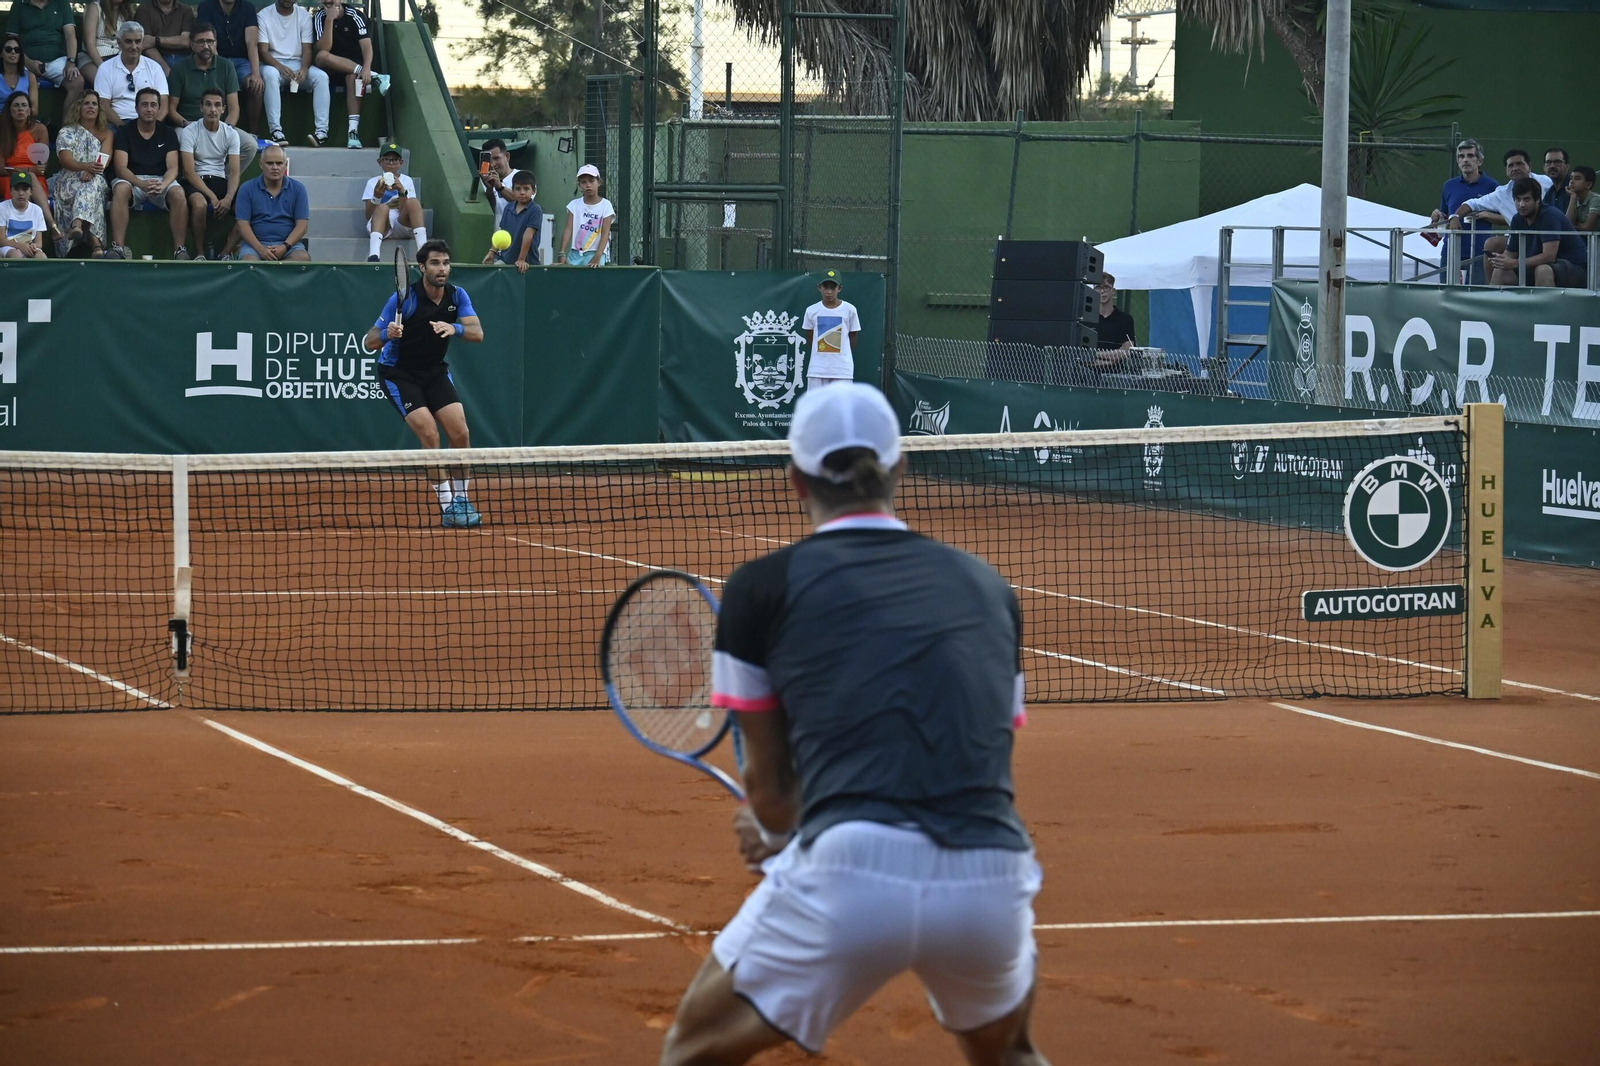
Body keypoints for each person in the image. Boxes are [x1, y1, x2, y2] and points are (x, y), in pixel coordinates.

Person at [659, 381, 1046, 1066]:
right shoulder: (990, 587)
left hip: (851, 875)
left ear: (795, 481)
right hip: (990, 872)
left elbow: (772, 795)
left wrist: (773, 832)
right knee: (1009, 1054)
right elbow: (978, 753)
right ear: (900, 469)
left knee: (692, 1051)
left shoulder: (760, 588)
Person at [361, 239, 486, 528]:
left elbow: (477, 333)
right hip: (399, 374)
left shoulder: (458, 295)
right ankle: (447, 507)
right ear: (422, 267)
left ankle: (462, 499)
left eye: (446, 263)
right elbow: (369, 341)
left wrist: (454, 327)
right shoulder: (404, 300)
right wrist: (388, 334)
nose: (442, 268)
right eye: (435, 263)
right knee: (430, 435)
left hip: (434, 372)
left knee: (461, 433)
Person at [108, 85, 187, 258]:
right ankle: (118, 247)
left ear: (159, 108)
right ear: (136, 108)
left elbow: (173, 167)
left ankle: (180, 250)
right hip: (132, 180)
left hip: (160, 181)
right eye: (144, 105)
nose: (149, 109)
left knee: (179, 193)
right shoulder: (124, 132)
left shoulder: (168, 133)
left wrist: (163, 184)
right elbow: (120, 168)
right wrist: (141, 184)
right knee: (121, 189)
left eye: (153, 105)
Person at [166, 21, 255, 172]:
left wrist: (226, 129)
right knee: (179, 138)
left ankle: (223, 178)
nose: (206, 46)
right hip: (189, 125)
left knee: (250, 145)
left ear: (216, 43)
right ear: (192, 45)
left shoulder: (226, 66)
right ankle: (194, 179)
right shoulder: (179, 68)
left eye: (210, 41)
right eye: (201, 42)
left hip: (219, 125)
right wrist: (187, 125)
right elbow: (171, 109)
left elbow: (234, 108)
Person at [312, 0, 387, 150]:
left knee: (352, 78)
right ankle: (375, 76)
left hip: (353, 65)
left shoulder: (354, 15)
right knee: (321, 56)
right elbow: (324, 48)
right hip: (331, 66)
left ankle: (353, 132)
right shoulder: (319, 17)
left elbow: (366, 46)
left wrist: (366, 68)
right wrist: (329, 19)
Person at [256, 0, 329, 147]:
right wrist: (279, 66)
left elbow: (307, 50)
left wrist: (304, 69)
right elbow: (263, 51)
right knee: (270, 75)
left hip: (298, 63)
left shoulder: (304, 15)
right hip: (273, 64)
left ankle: (321, 132)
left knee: (321, 77)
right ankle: (276, 131)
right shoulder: (263, 15)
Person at [1491, 176, 1586, 288]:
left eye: (1526, 199)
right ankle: (1490, 299)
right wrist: (1500, 260)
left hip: (1574, 268)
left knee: (1542, 270)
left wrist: (1515, 263)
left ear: (1537, 200)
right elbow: (1511, 253)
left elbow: (1549, 256)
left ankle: (1544, 301)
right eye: (1518, 200)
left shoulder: (1549, 216)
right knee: (1500, 269)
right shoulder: (1517, 219)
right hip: (1542, 265)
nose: (1521, 205)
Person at [179, 86, 239, 259]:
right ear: (201, 107)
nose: (213, 109)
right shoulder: (190, 131)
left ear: (223, 109)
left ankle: (226, 252)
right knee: (200, 204)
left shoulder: (231, 134)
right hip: (196, 181)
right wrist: (212, 197)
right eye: (208, 104)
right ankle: (200, 253)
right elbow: (188, 172)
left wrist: (228, 199)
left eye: (217, 105)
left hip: (219, 179)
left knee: (247, 205)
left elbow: (234, 173)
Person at [0, 91, 64, 252]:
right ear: (10, 110)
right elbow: (1, 168)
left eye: (24, 105)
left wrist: (36, 170)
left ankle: (49, 227)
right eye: (16, 106)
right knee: (27, 176)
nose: (20, 109)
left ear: (29, 110)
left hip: (35, 177)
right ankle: (51, 225)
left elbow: (43, 164)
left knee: (31, 178)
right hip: (8, 177)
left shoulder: (40, 129)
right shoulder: (3, 131)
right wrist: (28, 170)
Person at [1430, 138, 1498, 284]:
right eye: (1461, 156)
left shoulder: (1492, 186)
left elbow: (1505, 218)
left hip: (1480, 252)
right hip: (1451, 250)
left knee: (1478, 294)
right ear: (1457, 161)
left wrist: (1486, 215)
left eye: (1470, 155)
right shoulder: (1449, 186)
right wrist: (1437, 216)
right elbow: (1445, 215)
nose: (1465, 160)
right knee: (1447, 293)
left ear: (1479, 161)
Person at [54, 89, 114, 250]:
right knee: (92, 189)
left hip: (95, 176)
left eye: (94, 103)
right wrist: (86, 166)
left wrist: (91, 170)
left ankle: (77, 224)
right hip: (69, 179)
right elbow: (66, 160)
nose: (90, 106)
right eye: (86, 103)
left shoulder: (107, 133)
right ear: (78, 107)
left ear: (99, 109)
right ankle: (96, 245)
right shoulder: (66, 132)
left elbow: (104, 159)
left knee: (93, 184)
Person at [195, 0, 262, 135]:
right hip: (215, 59)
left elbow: (252, 44)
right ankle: (208, 131)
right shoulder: (206, 7)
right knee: (214, 84)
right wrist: (222, 67)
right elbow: (208, 43)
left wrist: (256, 74)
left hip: (241, 61)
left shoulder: (247, 8)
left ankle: (253, 134)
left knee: (256, 86)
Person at [233, 143, 308, 260]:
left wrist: (285, 246)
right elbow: (242, 224)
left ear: (286, 165)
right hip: (255, 245)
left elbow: (302, 225)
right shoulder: (246, 188)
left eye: (279, 163)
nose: (275, 167)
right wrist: (261, 249)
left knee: (302, 258)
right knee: (249, 262)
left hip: (288, 245)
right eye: (269, 163)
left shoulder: (298, 189)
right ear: (261, 164)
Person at [10, 0, 84, 112]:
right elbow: (11, 40)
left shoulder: (61, 3)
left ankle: (67, 124)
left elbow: (70, 35)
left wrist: (71, 62)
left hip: (56, 60)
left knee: (77, 82)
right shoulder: (19, 4)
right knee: (12, 81)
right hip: (26, 60)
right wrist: (27, 62)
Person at [360, 141, 427, 260]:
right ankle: (374, 255)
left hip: (401, 223)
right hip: (382, 226)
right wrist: (377, 196)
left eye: (395, 160)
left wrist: (401, 191)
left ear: (401, 162)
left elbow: (404, 209)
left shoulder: (407, 180)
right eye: (387, 159)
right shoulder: (372, 182)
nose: (391, 163)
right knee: (382, 207)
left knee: (413, 202)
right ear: (380, 162)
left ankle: (424, 251)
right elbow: (368, 215)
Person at [93, 20, 169, 124]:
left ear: (142, 43)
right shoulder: (105, 68)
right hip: (117, 124)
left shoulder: (155, 67)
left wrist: (152, 128)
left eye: (138, 41)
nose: (134, 47)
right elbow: (103, 105)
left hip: (149, 124)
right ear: (119, 43)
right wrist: (124, 129)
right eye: (128, 41)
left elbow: (164, 107)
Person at [801, 271, 861, 389]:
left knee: (841, 401)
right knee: (817, 401)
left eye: (833, 287)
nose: (829, 292)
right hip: (817, 370)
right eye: (825, 287)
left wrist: (841, 355)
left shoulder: (850, 310)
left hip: (842, 370)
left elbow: (853, 336)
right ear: (819, 287)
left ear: (840, 288)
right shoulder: (811, 310)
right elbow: (810, 337)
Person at [482, 169, 541, 271]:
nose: (522, 192)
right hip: (505, 261)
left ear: (533, 191)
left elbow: (528, 235)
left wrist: (521, 259)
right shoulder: (508, 208)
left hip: (528, 263)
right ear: (513, 190)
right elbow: (501, 232)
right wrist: (492, 251)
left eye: (526, 189)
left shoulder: (535, 209)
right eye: (518, 189)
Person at [558, 163, 614, 266]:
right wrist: (562, 253)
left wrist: (597, 256)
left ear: (599, 182)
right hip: (575, 253)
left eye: (591, 181)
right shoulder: (574, 205)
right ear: (579, 185)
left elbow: (605, 234)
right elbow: (568, 230)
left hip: (596, 253)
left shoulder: (606, 205)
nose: (588, 185)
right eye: (583, 182)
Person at [77, 0, 138, 86]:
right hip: (92, 58)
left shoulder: (127, 12)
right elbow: (89, 44)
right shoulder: (95, 8)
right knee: (104, 83)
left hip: (118, 58)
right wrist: (104, 67)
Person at [131, 0, 192, 75]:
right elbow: (145, 44)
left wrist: (156, 40)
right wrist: (165, 68)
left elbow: (185, 42)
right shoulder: (144, 10)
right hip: (156, 60)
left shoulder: (185, 10)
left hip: (183, 58)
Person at [1092, 272, 1136, 368]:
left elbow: (1127, 351)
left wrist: (1093, 354)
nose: (1102, 291)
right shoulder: (1086, 319)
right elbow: (1079, 354)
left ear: (1113, 291)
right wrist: (1110, 360)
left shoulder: (1125, 319)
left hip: (1116, 373)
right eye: (1098, 287)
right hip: (1086, 372)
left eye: (1106, 287)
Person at [0, 171, 48, 258]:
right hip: (8, 246)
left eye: (25, 189)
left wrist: (33, 246)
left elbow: (39, 242)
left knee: (41, 256)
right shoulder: (2, 207)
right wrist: (19, 246)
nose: (21, 193)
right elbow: (1, 240)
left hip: (29, 247)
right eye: (16, 189)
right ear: (10, 191)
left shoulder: (37, 210)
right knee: (16, 255)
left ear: (31, 192)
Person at [477, 136, 515, 215]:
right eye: (489, 160)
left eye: (496, 158)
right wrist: (489, 190)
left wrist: (499, 187)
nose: (493, 164)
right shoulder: (483, 181)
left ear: (507, 157)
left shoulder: (523, 177)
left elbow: (520, 201)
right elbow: (489, 209)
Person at [1, 34, 39, 113]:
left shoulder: (30, 77)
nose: (13, 52)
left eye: (17, 50)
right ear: (1, 53)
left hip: (22, 118)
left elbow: (34, 110)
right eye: (8, 49)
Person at [1566, 166, 1598, 234]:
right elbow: (1567, 225)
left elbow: (1588, 227)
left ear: (1588, 185)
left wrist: (1575, 225)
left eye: (1577, 178)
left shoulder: (1596, 199)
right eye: (1571, 178)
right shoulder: (1574, 198)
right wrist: (1573, 197)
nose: (1571, 181)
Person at [1542, 148, 1571, 214]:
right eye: (1548, 162)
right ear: (1544, 167)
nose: (1552, 166)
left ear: (1567, 166)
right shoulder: (1550, 193)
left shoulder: (1574, 189)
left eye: (1557, 162)